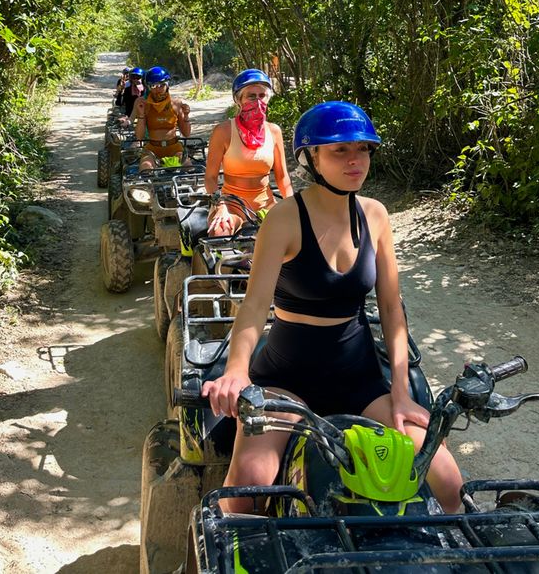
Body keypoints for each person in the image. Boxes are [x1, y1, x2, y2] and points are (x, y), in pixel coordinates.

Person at [202, 101, 464, 514]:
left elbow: (392, 310)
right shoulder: (284, 218)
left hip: (358, 379)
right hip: (285, 379)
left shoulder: (374, 215)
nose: (355, 160)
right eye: (339, 150)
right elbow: (254, 306)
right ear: (311, 158)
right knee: (247, 491)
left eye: (362, 149)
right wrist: (236, 370)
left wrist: (400, 392)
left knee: (448, 481)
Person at [205, 69, 293, 235]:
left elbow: (282, 177)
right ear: (239, 100)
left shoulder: (274, 131)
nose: (258, 102)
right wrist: (220, 206)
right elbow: (210, 177)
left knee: (299, 237)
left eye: (262, 96)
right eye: (251, 96)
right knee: (220, 234)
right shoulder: (223, 131)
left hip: (266, 204)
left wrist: (292, 205)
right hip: (231, 205)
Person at [132, 66, 191, 170]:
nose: (157, 89)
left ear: (167, 84)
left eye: (161, 85)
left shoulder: (176, 104)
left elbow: (186, 134)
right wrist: (141, 115)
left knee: (188, 167)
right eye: (153, 86)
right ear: (148, 87)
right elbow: (139, 137)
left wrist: (186, 116)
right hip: (152, 149)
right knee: (146, 168)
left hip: (174, 148)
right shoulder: (143, 104)